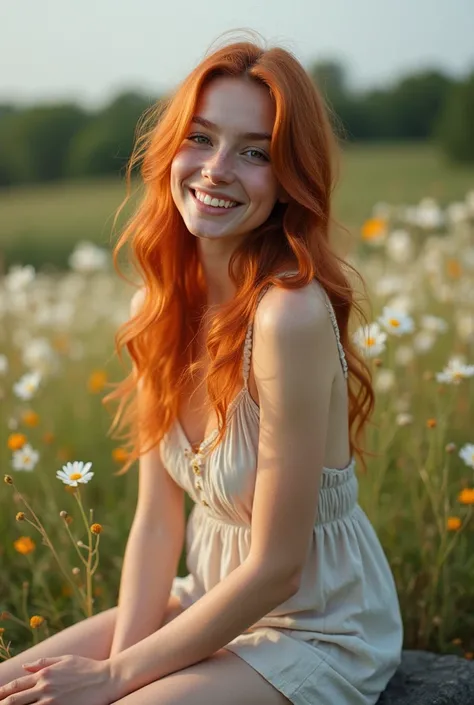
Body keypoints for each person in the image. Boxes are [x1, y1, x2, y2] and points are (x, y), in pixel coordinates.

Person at [0, 33, 403, 705]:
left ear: (288, 182)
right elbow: (158, 524)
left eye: (254, 153)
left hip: (312, 625)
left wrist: (114, 680)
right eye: (201, 137)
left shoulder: (289, 318)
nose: (217, 169)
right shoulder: (157, 306)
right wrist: (119, 664)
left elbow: (277, 568)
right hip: (207, 598)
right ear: (172, 150)